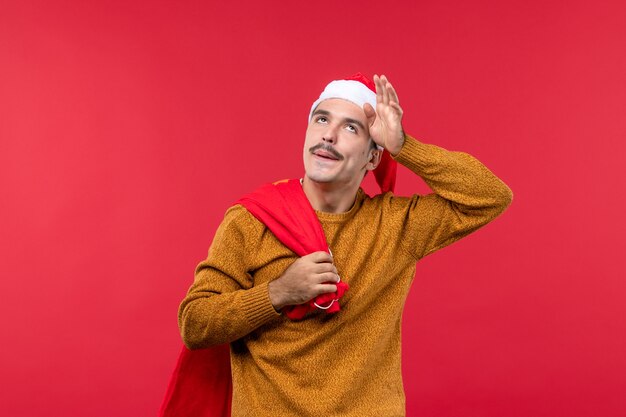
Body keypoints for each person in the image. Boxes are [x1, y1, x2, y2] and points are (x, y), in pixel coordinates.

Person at [177, 73, 513, 416]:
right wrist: (279, 292)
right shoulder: (251, 220)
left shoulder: (397, 225)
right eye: (321, 119)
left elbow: (489, 196)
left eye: (351, 128)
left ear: (372, 158)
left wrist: (403, 147)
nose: (329, 134)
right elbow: (195, 323)